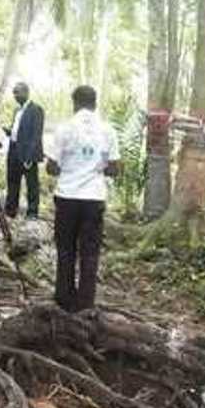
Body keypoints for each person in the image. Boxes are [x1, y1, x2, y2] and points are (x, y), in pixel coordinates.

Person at [46, 85, 119, 313]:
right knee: (90, 252)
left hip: (67, 197)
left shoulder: (64, 129)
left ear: (74, 103)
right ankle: (86, 304)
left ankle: (63, 299)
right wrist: (97, 168)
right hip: (94, 198)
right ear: (95, 103)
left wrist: (67, 167)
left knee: (66, 249)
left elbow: (52, 167)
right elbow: (115, 168)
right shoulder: (108, 130)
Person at [4, 82, 44, 220]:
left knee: (31, 183)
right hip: (13, 149)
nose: (15, 95)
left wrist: (30, 157)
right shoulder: (17, 111)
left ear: (26, 93)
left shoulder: (36, 109)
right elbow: (19, 131)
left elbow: (36, 135)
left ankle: (32, 212)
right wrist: (9, 132)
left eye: (18, 92)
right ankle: (10, 210)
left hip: (28, 152)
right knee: (12, 180)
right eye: (14, 93)